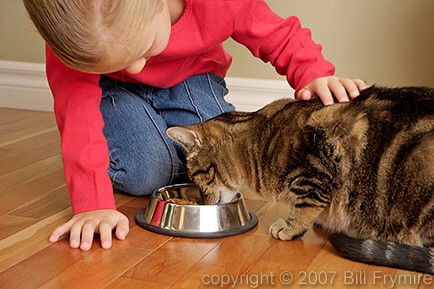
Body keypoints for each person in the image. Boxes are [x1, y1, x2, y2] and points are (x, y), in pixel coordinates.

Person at [23, 0, 367, 251]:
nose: (139, 67)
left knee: (223, 156)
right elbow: (76, 112)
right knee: (149, 171)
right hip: (113, 92)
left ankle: (153, 137)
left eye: (142, 49)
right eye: (125, 60)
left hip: (192, 77)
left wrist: (316, 75)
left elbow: (276, 32)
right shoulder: (77, 36)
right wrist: (92, 202)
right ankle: (132, 129)